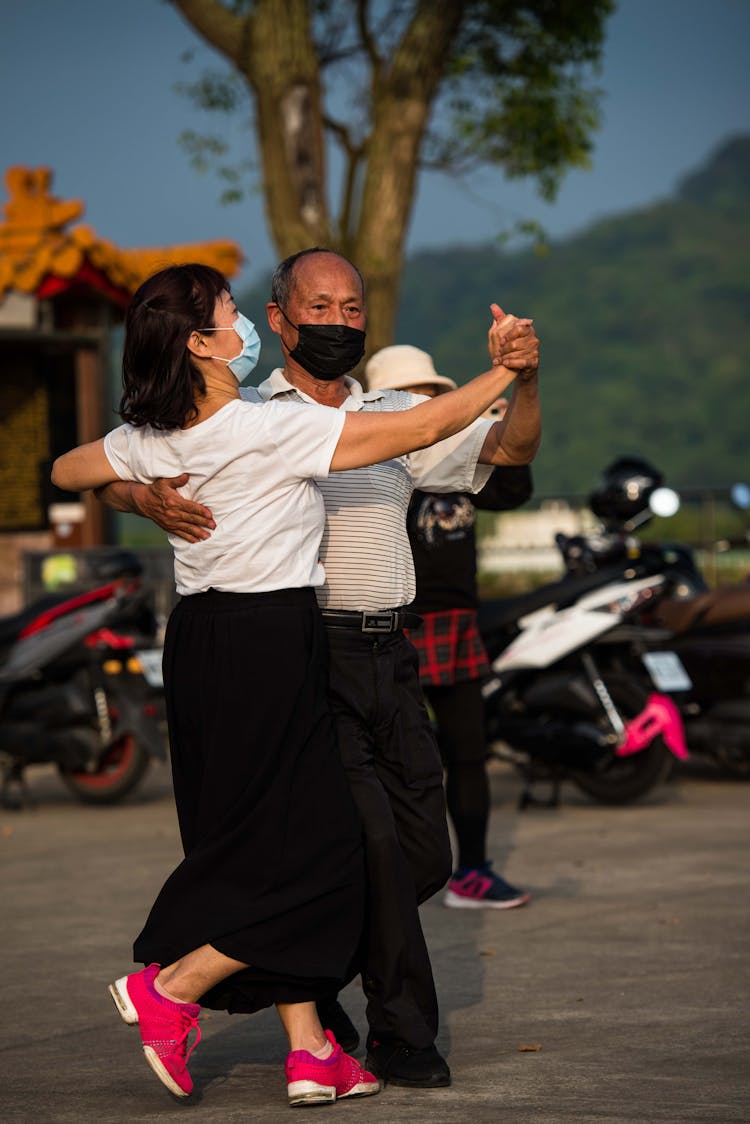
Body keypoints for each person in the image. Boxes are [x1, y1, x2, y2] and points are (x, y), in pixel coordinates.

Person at [50, 262, 523, 1108]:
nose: (247, 327)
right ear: (206, 341)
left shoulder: (152, 429)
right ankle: (177, 986)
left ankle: (312, 1050)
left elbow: (65, 472)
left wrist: (140, 491)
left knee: (270, 847)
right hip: (275, 642)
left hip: (203, 641)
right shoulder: (263, 427)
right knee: (328, 853)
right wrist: (505, 372)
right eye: (234, 314)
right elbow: (416, 431)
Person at [364, 344, 534, 909]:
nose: (426, 403)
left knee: (468, 751)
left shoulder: (460, 450)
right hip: (398, 620)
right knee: (395, 760)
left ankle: (475, 872)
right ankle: (389, 876)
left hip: (457, 619)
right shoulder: (375, 456)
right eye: (413, 395)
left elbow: (513, 491)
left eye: (433, 394)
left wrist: (502, 422)